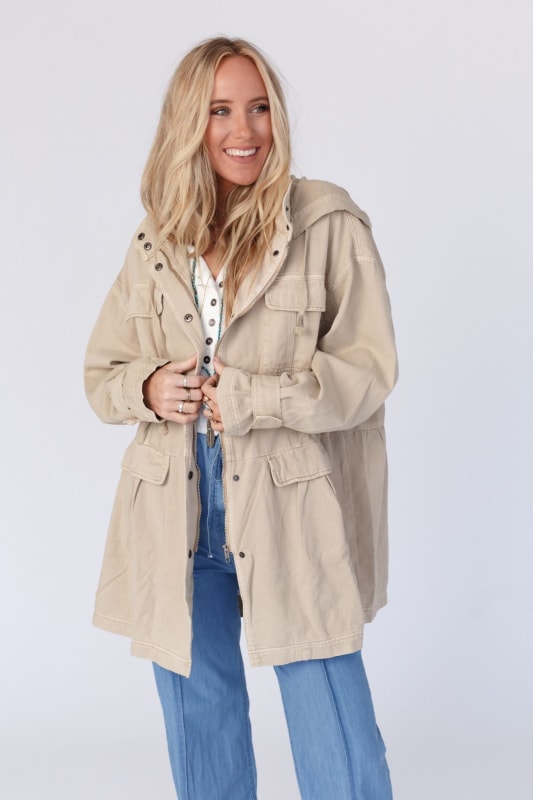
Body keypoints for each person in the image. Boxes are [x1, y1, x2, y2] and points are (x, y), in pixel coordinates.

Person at [84, 36, 398, 800]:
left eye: (259, 107)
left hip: (288, 494)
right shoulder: (157, 238)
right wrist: (149, 387)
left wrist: (257, 398)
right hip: (176, 498)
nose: (244, 129)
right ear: (188, 122)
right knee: (201, 718)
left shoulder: (324, 221)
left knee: (328, 708)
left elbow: (368, 372)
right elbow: (102, 373)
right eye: (220, 110)